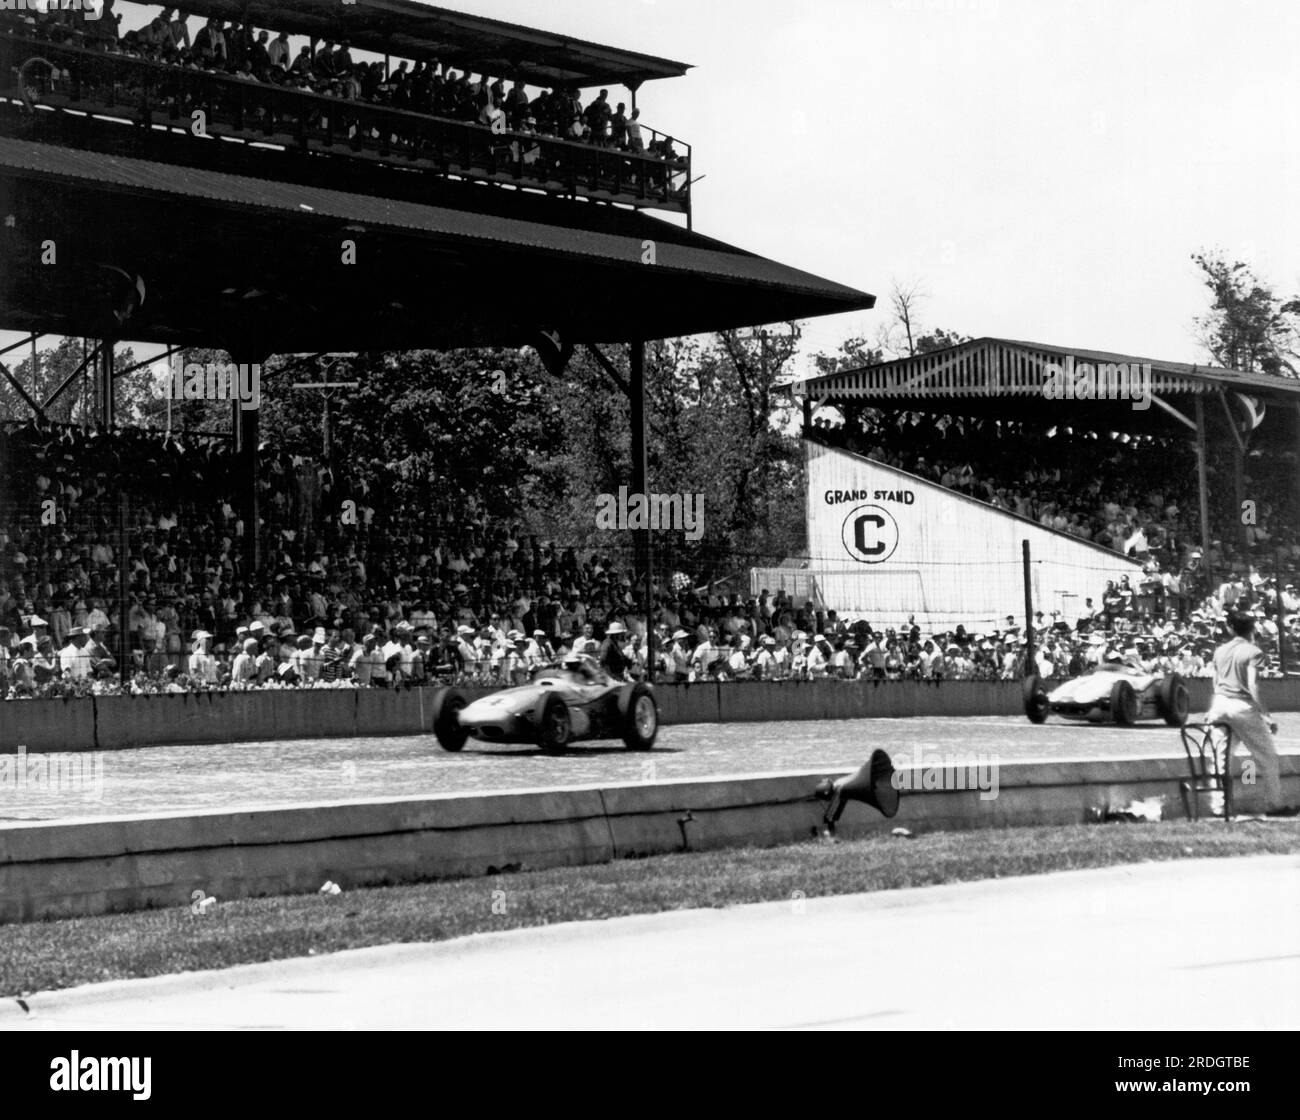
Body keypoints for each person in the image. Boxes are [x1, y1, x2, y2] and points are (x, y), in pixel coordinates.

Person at [1206, 612, 1295, 816]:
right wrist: (1266, 715)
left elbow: (1215, 683)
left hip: (1220, 704)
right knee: (1267, 757)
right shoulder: (1252, 651)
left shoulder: (1220, 651)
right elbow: (1252, 685)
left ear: (1230, 629)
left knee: (1220, 759)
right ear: (1252, 630)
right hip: (1242, 706)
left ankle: (1219, 807)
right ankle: (1274, 804)